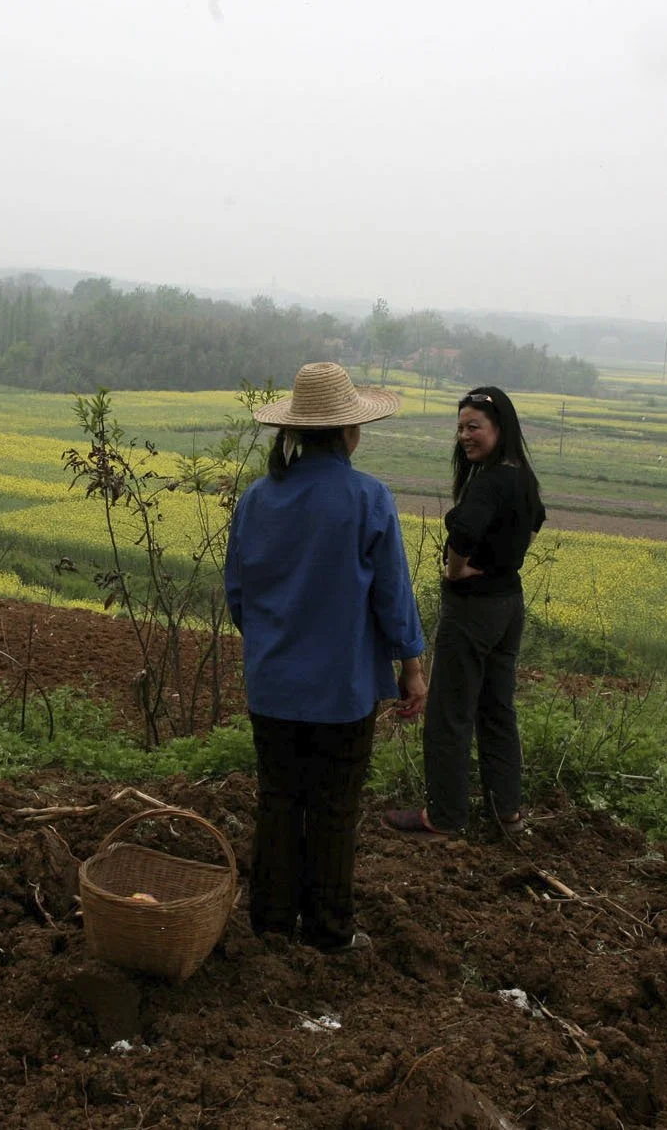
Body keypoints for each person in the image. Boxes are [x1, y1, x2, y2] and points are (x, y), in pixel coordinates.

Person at [225, 362, 428, 953]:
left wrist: (273, 642)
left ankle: (269, 923)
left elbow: (239, 596)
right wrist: (411, 668)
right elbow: (393, 596)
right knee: (335, 809)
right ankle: (329, 932)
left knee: (279, 800)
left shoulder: (257, 499)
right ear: (350, 432)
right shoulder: (368, 498)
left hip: (273, 685)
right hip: (343, 690)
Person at [385, 386, 546, 838]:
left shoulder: (490, 480)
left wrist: (459, 571)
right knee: (496, 710)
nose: (464, 436)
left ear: (500, 428)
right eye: (460, 427)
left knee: (449, 713)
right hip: (508, 605)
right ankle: (506, 813)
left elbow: (463, 532)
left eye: (473, 426)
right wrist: (502, 561)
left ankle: (445, 817)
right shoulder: (520, 475)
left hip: (474, 609)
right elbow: (535, 520)